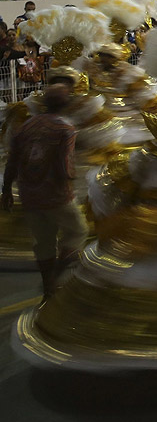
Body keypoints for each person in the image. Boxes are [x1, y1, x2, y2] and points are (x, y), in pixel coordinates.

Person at [2, 83, 88, 299]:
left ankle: (47, 284)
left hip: (29, 194)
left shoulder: (26, 126)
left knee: (43, 241)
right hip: (57, 195)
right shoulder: (65, 129)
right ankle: (57, 275)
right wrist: (71, 183)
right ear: (66, 105)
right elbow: (65, 166)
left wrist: (5, 191)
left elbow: (12, 161)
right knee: (78, 231)